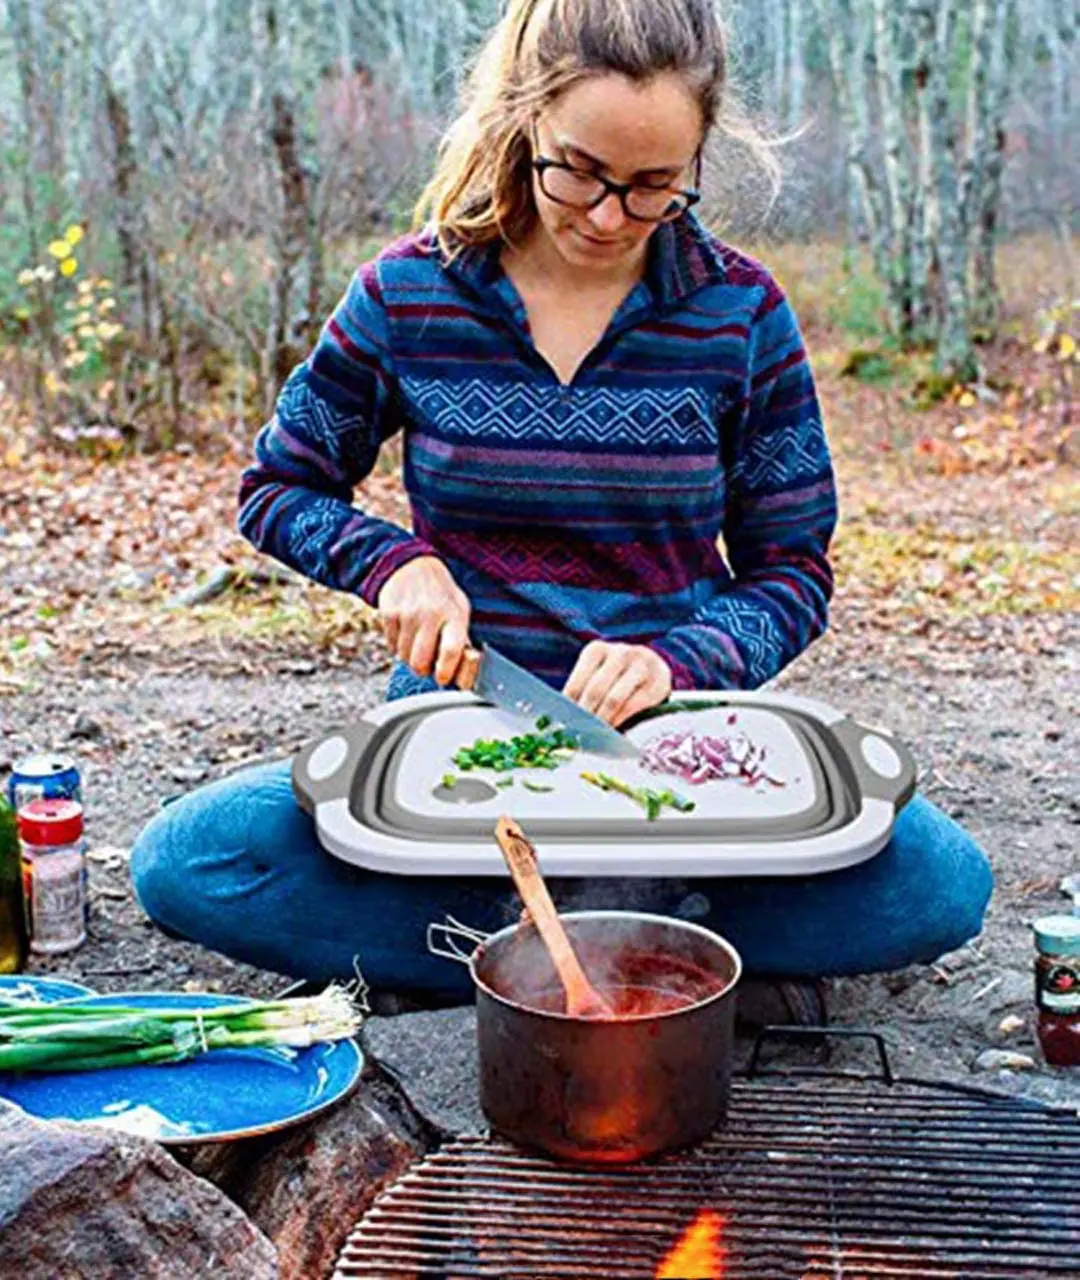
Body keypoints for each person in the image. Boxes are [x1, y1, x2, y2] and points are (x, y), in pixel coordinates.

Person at [131, 0, 993, 1014]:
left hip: (673, 737)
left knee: (939, 884)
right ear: (523, 121)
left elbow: (792, 571)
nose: (605, 216)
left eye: (652, 188)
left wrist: (679, 659)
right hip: (465, 727)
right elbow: (278, 487)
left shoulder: (740, 312)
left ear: (695, 160)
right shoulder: (408, 294)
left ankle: (520, 947)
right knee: (191, 861)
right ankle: (652, 955)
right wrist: (391, 562)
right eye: (577, 170)